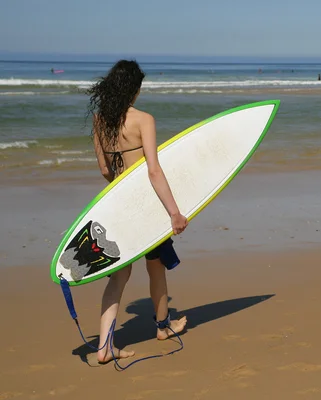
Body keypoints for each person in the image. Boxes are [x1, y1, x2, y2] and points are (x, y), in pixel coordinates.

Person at [86, 60, 188, 364]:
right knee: (155, 264)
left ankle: (104, 346)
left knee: (119, 276)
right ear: (133, 89)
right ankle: (162, 327)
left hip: (118, 204)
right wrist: (174, 213)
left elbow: (105, 168)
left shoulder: (99, 120)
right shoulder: (143, 119)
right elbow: (153, 171)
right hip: (145, 205)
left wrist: (121, 189)